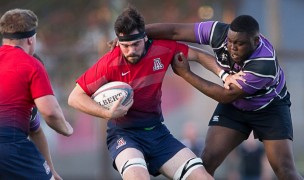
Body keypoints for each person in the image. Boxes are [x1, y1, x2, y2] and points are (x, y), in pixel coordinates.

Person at [145, 15, 303, 179]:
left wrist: (186, 73)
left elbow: (226, 95)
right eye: (230, 41)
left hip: (268, 109)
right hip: (237, 107)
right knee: (206, 162)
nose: (232, 48)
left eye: (240, 44)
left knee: (285, 170)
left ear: (255, 42)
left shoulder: (263, 63)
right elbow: (174, 31)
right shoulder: (217, 31)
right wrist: (134, 35)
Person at [68, 6, 215, 180]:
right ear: (118, 41)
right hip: (124, 135)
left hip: (158, 133)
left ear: (145, 37)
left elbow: (198, 55)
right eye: (125, 45)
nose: (130, 51)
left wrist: (224, 74)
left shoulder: (161, 48)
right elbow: (74, 98)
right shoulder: (110, 62)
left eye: (135, 44)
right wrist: (106, 112)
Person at [0, 8, 73, 179]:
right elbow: (50, 112)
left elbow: (36, 131)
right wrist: (67, 129)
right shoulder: (31, 64)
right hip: (9, 146)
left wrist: (51, 171)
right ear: (31, 39)